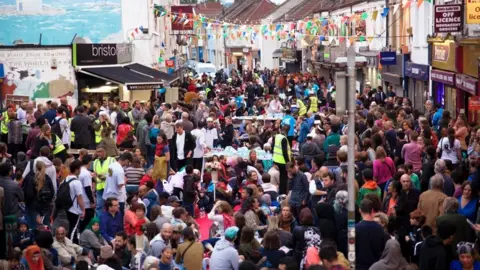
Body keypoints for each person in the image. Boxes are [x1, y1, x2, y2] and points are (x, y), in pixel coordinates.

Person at [355, 198, 389, 270]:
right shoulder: (380, 229)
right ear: (372, 210)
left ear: (360, 210)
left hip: (359, 266)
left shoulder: (355, 228)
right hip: (376, 266)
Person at [93, 146, 117, 217]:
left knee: (110, 206)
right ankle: (99, 222)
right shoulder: (95, 162)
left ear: (105, 152)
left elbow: (113, 172)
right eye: (97, 151)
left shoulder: (111, 160)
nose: (98, 153)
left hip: (109, 187)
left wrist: (104, 177)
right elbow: (95, 174)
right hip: (99, 187)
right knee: (99, 206)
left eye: (100, 151)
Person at [272, 125, 291, 195]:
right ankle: (282, 193)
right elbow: (284, 152)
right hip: (282, 162)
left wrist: (273, 160)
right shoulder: (284, 139)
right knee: (283, 179)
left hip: (276, 160)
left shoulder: (275, 136)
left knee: (279, 177)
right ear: (287, 132)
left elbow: (272, 148)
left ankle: (280, 192)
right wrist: (288, 162)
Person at [78, 154, 95, 232]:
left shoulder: (79, 171)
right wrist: (92, 201)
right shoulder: (86, 174)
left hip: (79, 200)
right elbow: (87, 188)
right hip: (86, 202)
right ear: (89, 162)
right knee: (86, 222)